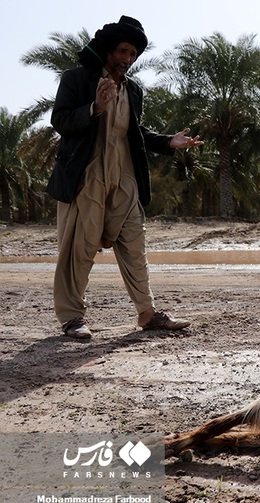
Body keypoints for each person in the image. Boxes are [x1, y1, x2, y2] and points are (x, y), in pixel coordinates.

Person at [48, 16, 203, 339]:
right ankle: (72, 317)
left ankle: (147, 313)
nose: (128, 59)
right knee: (79, 248)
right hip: (86, 178)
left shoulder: (133, 90)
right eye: (123, 51)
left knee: (134, 243)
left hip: (125, 178)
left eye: (133, 54)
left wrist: (167, 142)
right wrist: (94, 108)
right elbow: (60, 120)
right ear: (108, 51)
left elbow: (136, 134)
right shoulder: (76, 80)